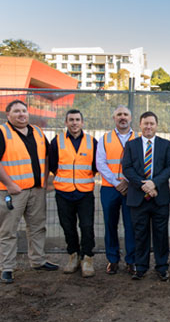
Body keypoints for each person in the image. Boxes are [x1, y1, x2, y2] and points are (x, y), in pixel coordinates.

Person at [0, 100, 58, 284]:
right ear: (8, 114)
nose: (21, 114)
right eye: (16, 111)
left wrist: (45, 180)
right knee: (8, 230)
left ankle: (38, 260)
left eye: (24, 110)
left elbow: (47, 156)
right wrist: (9, 184)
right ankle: (7, 267)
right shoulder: (2, 133)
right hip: (13, 191)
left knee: (37, 227)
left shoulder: (38, 132)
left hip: (36, 189)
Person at [122, 111, 170, 281]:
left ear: (156, 125)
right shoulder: (131, 145)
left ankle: (161, 267)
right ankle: (141, 267)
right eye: (145, 123)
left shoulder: (165, 144)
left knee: (161, 234)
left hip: (160, 197)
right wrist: (144, 185)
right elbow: (127, 169)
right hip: (138, 198)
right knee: (140, 234)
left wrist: (154, 183)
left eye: (152, 123)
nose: (148, 127)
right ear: (140, 125)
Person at [50, 109, 97, 278]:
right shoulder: (57, 141)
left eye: (77, 119)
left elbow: (95, 166)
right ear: (66, 122)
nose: (74, 123)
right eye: (71, 120)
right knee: (67, 226)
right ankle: (73, 255)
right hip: (63, 192)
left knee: (86, 226)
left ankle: (87, 257)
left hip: (84, 193)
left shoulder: (92, 142)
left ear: (82, 122)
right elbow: (52, 165)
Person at [96, 105, 136, 275]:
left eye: (125, 114)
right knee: (110, 225)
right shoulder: (105, 138)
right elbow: (100, 163)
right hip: (109, 188)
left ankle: (131, 261)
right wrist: (116, 182)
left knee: (131, 225)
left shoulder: (138, 138)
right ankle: (112, 260)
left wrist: (127, 181)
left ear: (131, 118)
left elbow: (140, 164)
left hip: (132, 189)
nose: (122, 117)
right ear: (114, 118)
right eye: (119, 114)